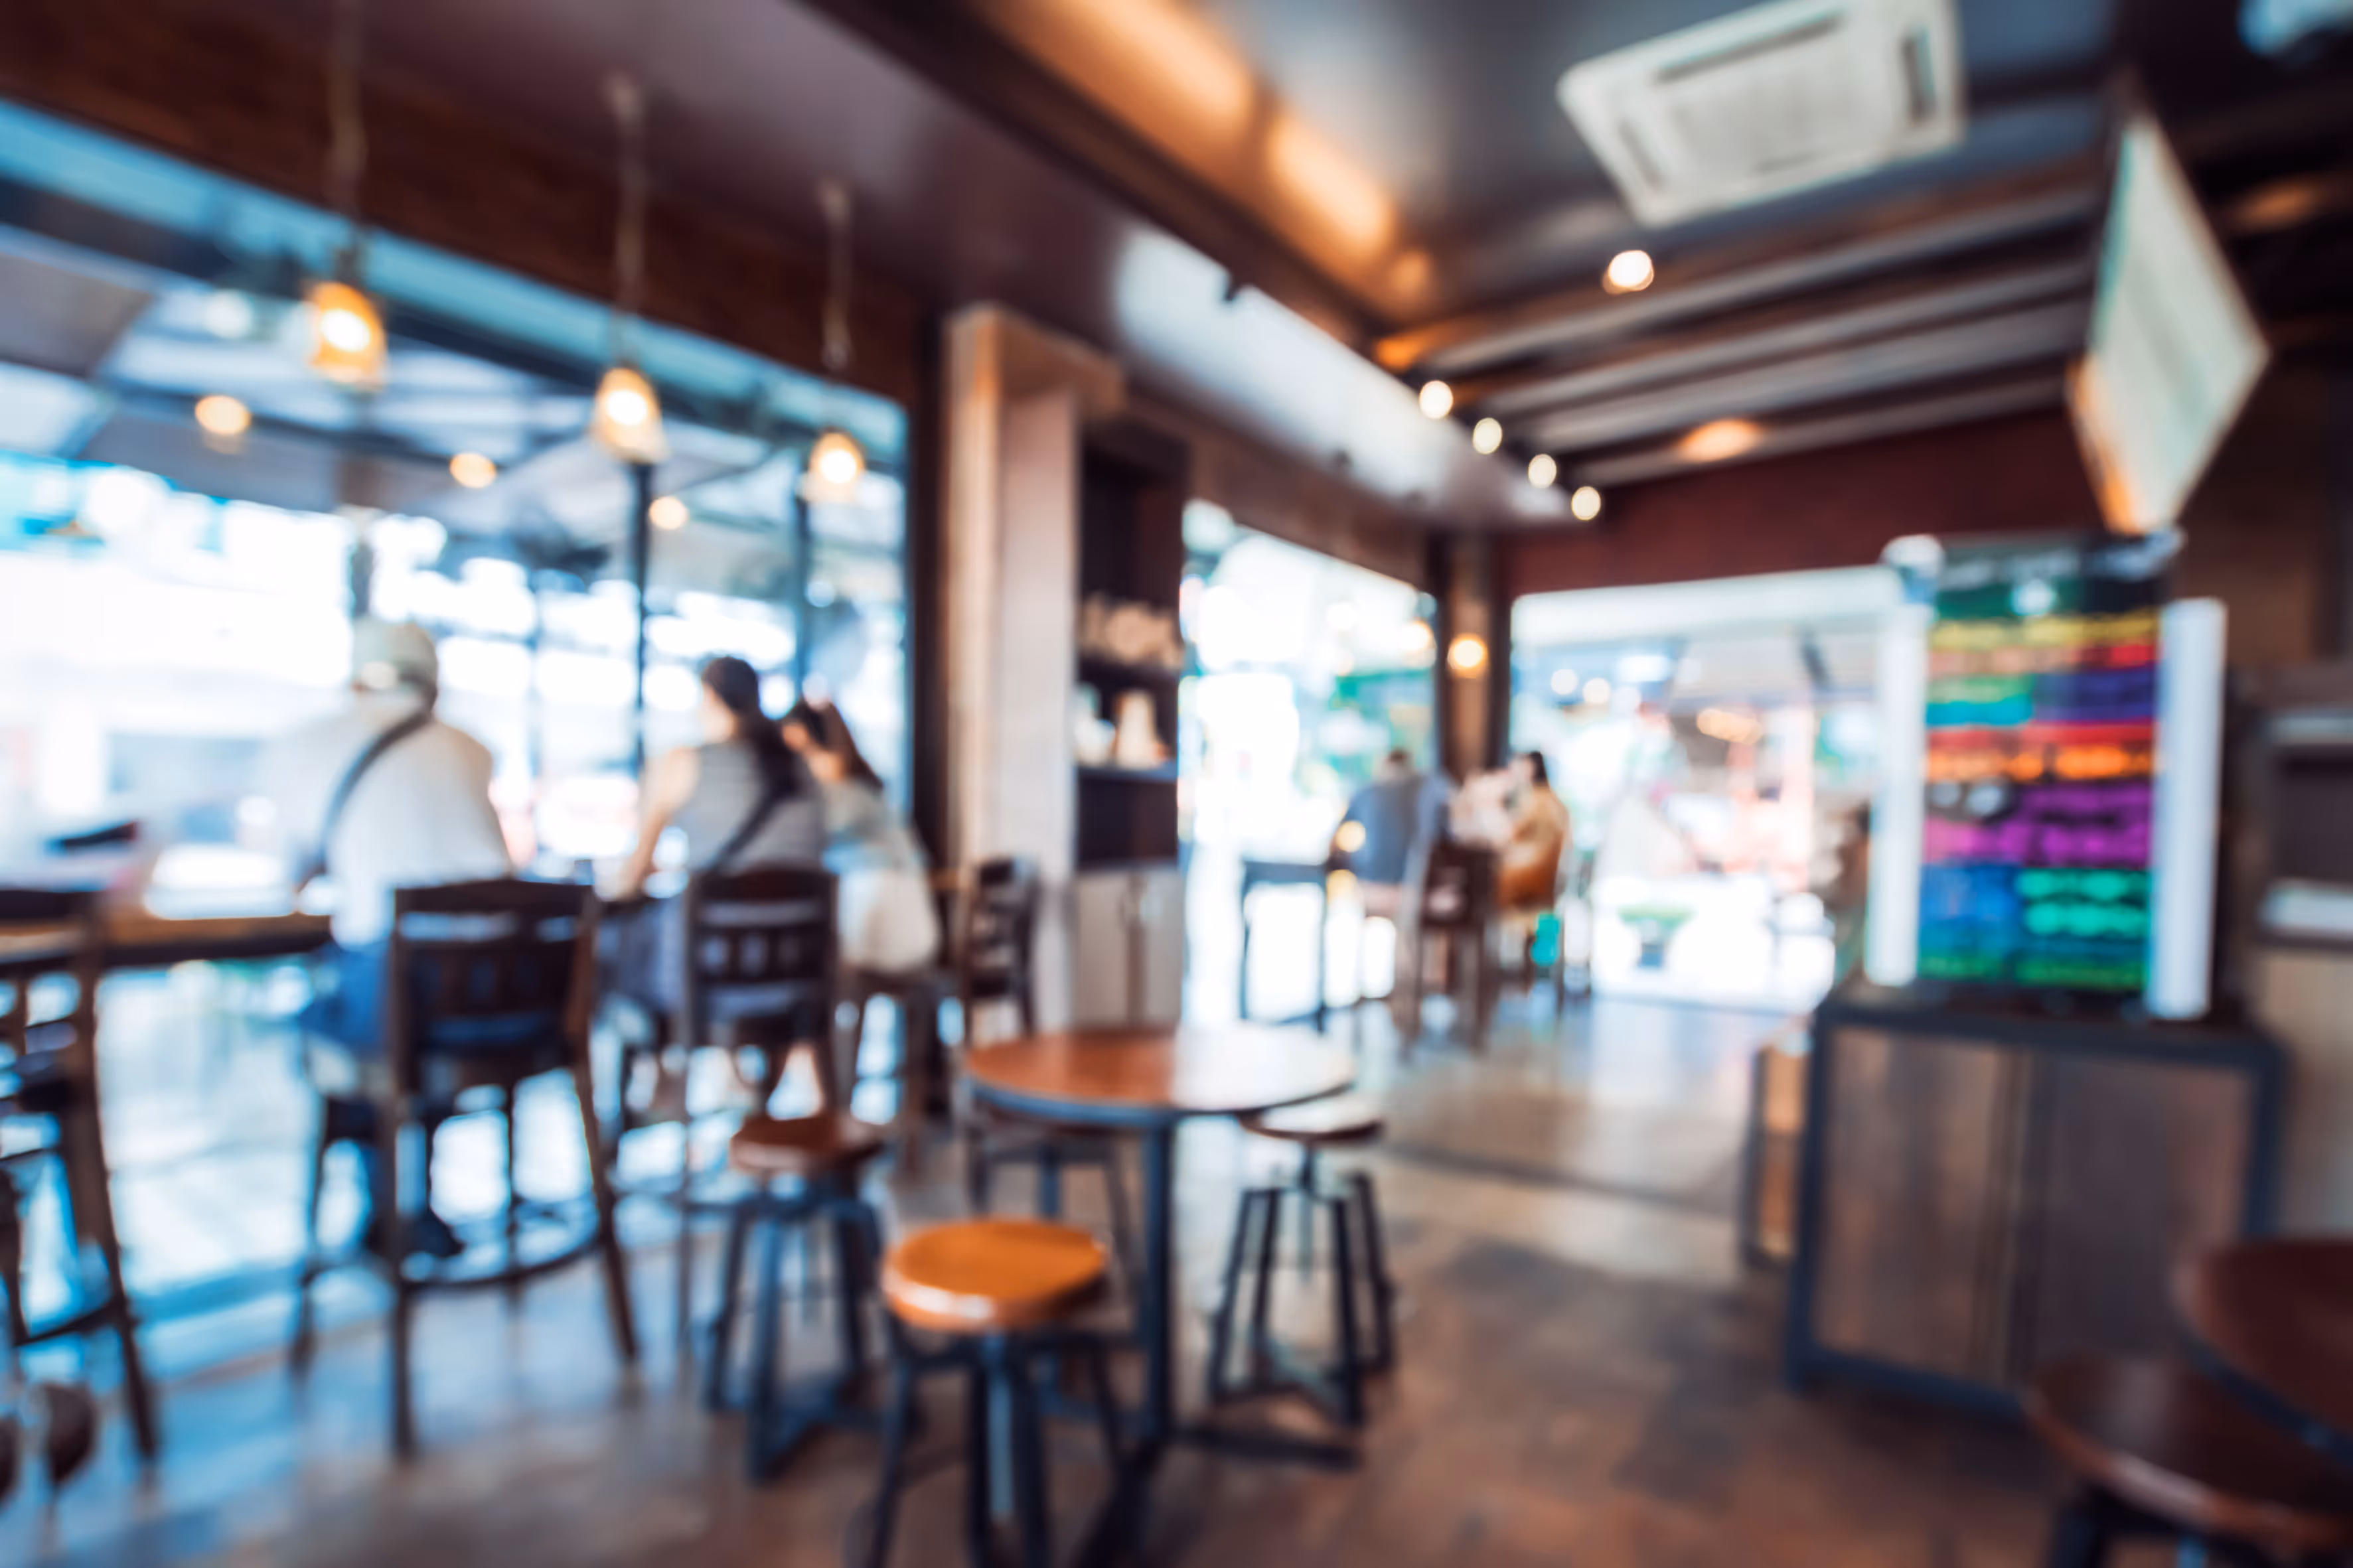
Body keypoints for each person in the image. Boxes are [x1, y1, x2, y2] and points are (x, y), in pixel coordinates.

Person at [264, 620, 511, 1260]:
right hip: (504, 999)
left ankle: (379, 1201)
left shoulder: (305, 744)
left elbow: (294, 870)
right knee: (398, 1016)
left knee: (324, 1017)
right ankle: (413, 1204)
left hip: (398, 998)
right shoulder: (471, 748)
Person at [610, 656, 826, 1007]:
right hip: (798, 975)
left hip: (710, 978)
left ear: (709, 697)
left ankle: (650, 1058)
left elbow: (634, 875)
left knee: (615, 957)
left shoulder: (683, 762)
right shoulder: (801, 768)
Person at [781, 697, 939, 973]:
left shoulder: (845, 797)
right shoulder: (865, 792)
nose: (801, 765)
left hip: (888, 926)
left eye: (806, 752)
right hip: (913, 926)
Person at [1331, 747, 1451, 920]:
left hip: (1371, 887)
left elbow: (1335, 841)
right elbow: (1445, 833)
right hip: (1416, 886)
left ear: (1384, 766)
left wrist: (1353, 859)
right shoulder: (1430, 785)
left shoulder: (1365, 792)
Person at [1498, 750, 1571, 910]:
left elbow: (1513, 835)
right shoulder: (1553, 799)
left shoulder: (1532, 798)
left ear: (1531, 768)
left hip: (1530, 872)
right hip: (1550, 874)